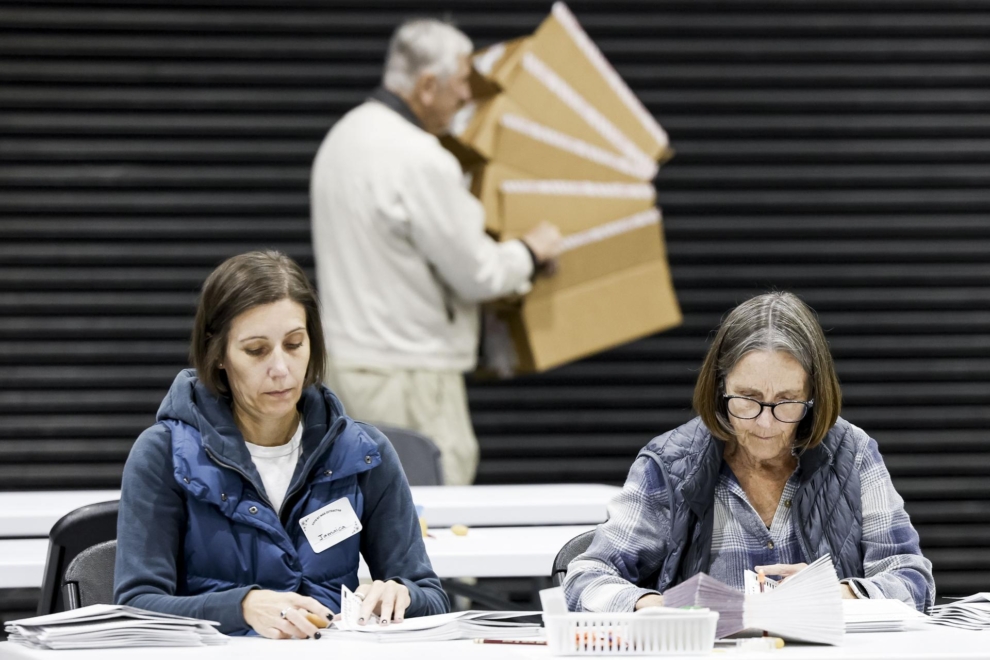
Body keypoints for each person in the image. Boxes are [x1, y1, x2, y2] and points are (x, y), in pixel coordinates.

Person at [114, 251, 448, 638]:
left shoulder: (365, 451)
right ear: (218, 353)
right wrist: (241, 607)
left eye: (294, 344)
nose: (280, 368)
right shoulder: (162, 454)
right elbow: (135, 605)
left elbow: (432, 597)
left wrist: (401, 594)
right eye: (256, 350)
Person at [563, 292, 935, 614]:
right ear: (720, 388)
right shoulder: (670, 464)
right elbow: (587, 576)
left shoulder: (852, 454)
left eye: (787, 401)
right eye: (748, 399)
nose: (765, 424)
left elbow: (911, 578)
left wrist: (836, 594)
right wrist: (657, 607)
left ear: (813, 396)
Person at [310, 19, 562, 486]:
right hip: (411, 379)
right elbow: (478, 273)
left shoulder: (342, 138)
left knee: (362, 514)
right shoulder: (419, 157)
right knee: (429, 522)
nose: (468, 95)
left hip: (348, 370)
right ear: (427, 86)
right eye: (462, 80)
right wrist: (529, 250)